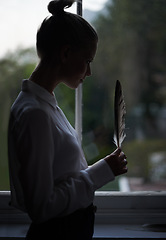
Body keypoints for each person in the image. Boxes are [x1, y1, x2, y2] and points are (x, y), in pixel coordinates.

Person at [8, 0, 128, 239]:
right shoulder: (35, 114)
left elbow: (64, 176)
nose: (89, 72)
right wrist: (102, 171)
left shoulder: (44, 104)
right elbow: (42, 208)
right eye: (88, 61)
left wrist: (101, 169)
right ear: (65, 53)